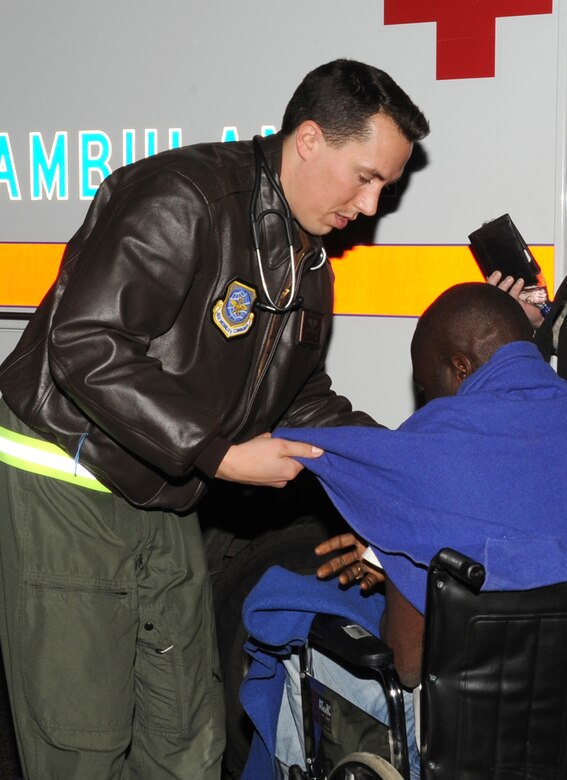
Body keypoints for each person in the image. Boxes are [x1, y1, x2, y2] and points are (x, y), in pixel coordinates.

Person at [0, 60, 429, 779]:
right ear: (309, 140)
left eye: (385, 185)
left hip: (165, 488)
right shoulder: (186, 197)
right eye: (365, 177)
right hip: (69, 480)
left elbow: (300, 397)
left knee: (187, 737)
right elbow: (85, 343)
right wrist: (220, 455)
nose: (372, 204)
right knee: (83, 740)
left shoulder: (308, 265)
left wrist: (411, 469)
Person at [240, 282, 567, 779]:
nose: (425, 403)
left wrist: (397, 546)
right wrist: (387, 554)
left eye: (427, 387)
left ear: (461, 367)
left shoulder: (431, 453)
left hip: (459, 743)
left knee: (285, 620)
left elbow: (408, 663)